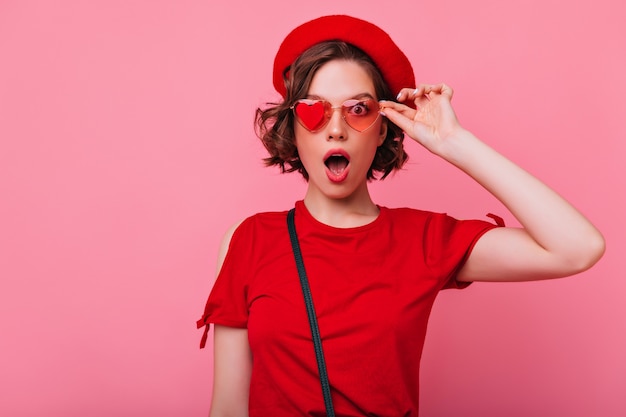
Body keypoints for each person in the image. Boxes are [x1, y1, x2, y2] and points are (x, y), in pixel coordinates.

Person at [197, 15, 605, 417]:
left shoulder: (424, 240)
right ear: (293, 126)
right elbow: (228, 407)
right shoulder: (248, 240)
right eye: (313, 110)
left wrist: (454, 142)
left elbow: (577, 248)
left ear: (381, 128)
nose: (336, 129)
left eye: (358, 108)